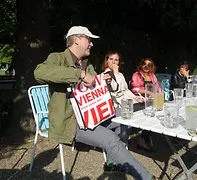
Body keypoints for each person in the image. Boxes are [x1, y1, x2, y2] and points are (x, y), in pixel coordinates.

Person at [34, 26, 153, 180]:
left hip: (94, 114)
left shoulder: (86, 63)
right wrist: (81, 75)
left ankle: (111, 162)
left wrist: (105, 81)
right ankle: (145, 177)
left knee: (126, 115)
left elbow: (96, 89)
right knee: (110, 139)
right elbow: (39, 72)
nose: (91, 44)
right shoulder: (58, 58)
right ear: (77, 39)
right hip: (72, 121)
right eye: (88, 40)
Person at [130, 58, 161, 152]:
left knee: (161, 111)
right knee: (151, 114)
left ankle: (144, 138)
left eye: (149, 65)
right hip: (141, 101)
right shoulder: (136, 75)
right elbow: (134, 89)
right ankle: (143, 140)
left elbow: (158, 89)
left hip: (152, 100)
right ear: (141, 65)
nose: (146, 66)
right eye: (144, 64)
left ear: (152, 67)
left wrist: (160, 98)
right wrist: (148, 92)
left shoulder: (152, 76)